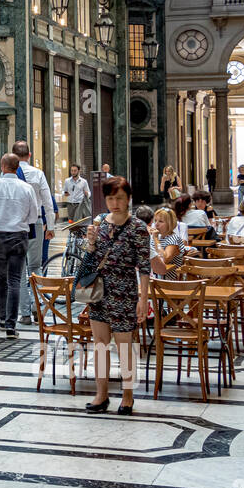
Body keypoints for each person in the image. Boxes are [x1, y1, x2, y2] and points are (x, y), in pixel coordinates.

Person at [75, 178, 149, 415]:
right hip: (99, 292)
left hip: (125, 292)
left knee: (125, 346)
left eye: (119, 198)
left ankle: (128, 396)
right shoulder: (99, 223)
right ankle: (101, 394)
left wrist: (143, 298)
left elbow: (144, 266)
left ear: (128, 198)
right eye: (110, 199)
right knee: (100, 346)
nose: (114, 203)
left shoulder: (137, 227)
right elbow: (91, 259)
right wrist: (91, 242)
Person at [0, 153, 38, 337]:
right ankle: (12, 325)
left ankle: (3, 319)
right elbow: (33, 217)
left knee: (1, 279)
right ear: (17, 167)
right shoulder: (27, 188)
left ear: (3, 166)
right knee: (14, 280)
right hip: (19, 237)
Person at [13, 140, 56, 326]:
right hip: (36, 222)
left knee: (20, 270)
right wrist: (51, 226)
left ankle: (24, 314)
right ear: (29, 155)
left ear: (13, 156)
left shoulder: (9, 174)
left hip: (17, 224)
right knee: (35, 267)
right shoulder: (38, 174)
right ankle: (37, 307)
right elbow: (47, 201)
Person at [150, 208, 184, 280]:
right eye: (155, 221)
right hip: (154, 276)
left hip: (168, 280)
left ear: (170, 224)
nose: (156, 224)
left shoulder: (174, 239)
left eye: (161, 221)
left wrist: (155, 239)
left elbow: (164, 259)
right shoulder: (157, 237)